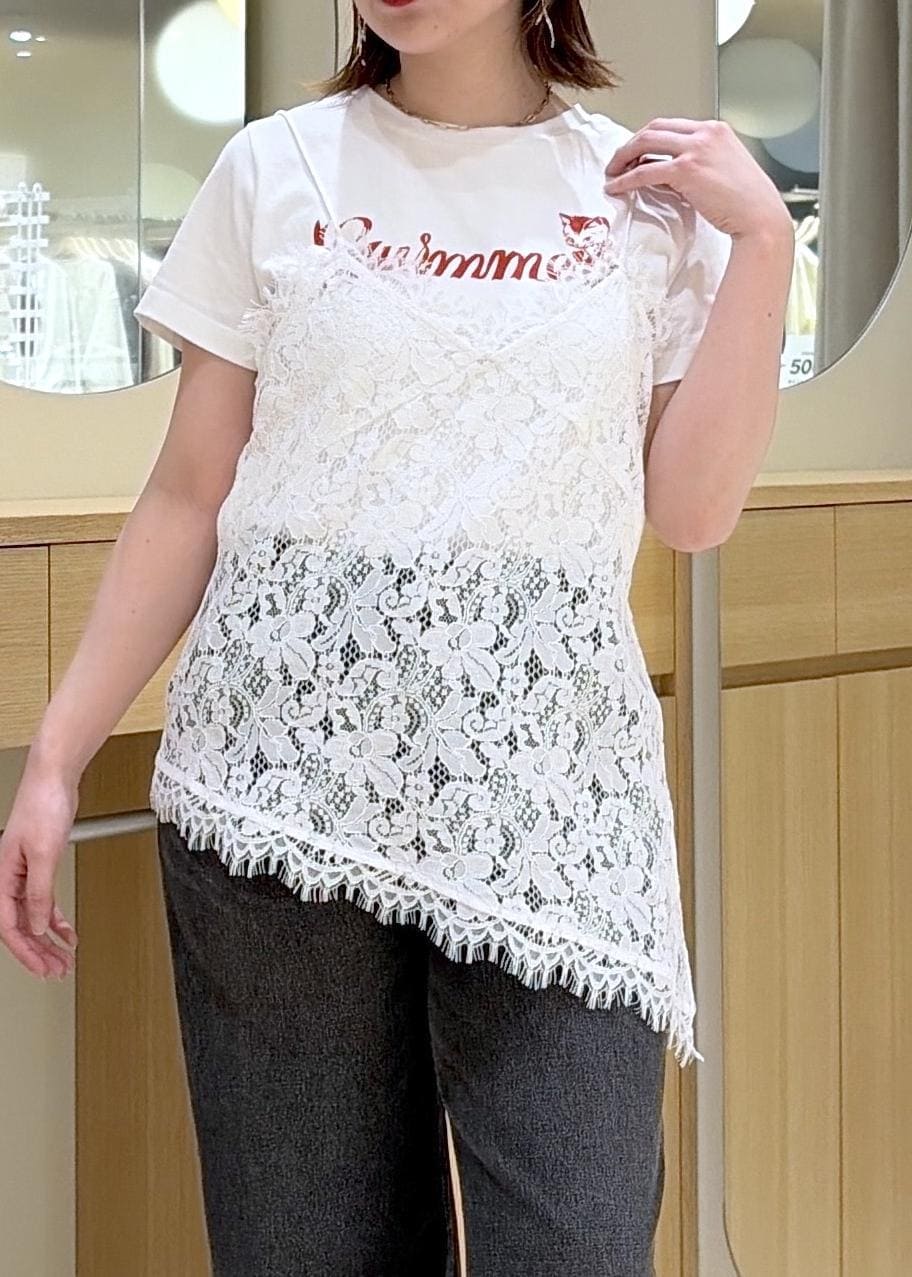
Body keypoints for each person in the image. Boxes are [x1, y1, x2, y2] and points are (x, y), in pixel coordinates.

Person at [0, 1, 795, 1273]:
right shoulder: (274, 166)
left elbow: (694, 511)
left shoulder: (644, 198)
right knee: (310, 1251)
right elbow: (191, 493)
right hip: (276, 789)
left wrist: (762, 240)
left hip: (550, 808)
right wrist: (55, 758)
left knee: (579, 1242)